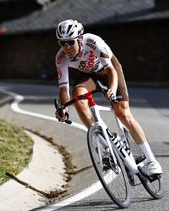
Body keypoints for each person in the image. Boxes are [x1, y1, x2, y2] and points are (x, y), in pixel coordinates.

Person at [54, 19, 162, 176]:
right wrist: (64, 108)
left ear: (79, 38)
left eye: (70, 42)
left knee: (122, 113)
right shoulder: (61, 57)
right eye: (62, 43)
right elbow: (63, 88)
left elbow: (111, 71)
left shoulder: (93, 42)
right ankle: (106, 145)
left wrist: (111, 89)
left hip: (109, 71)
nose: (66, 47)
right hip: (88, 75)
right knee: (78, 98)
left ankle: (152, 161)